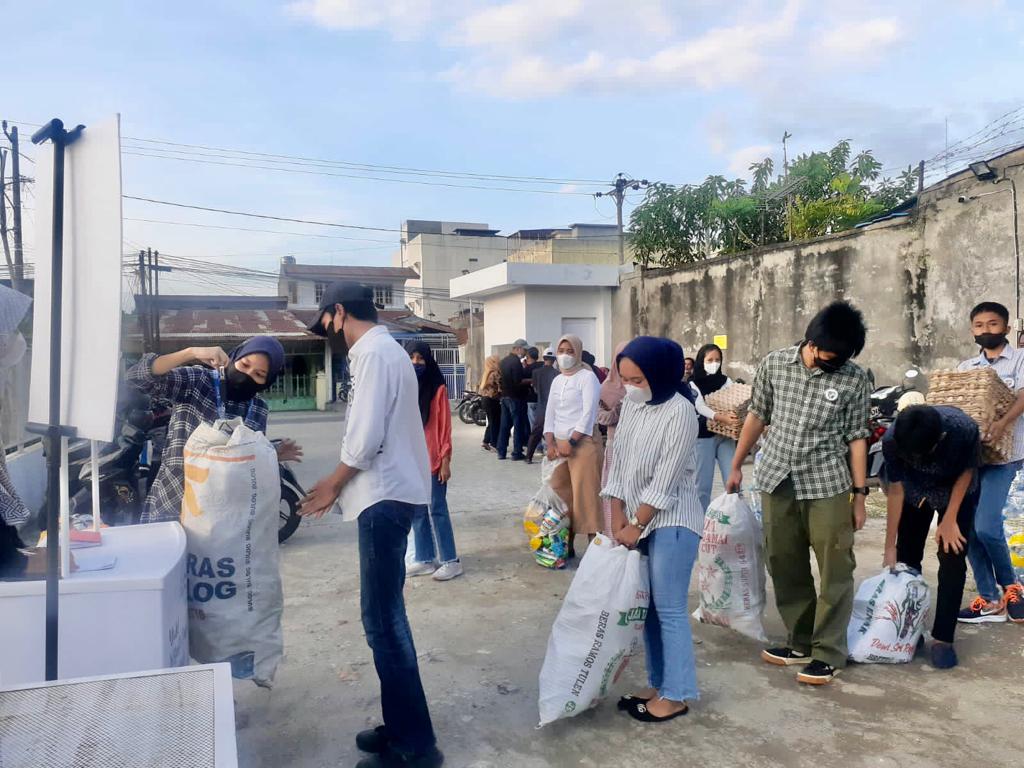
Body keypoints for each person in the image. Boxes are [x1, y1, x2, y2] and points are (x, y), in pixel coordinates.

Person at [300, 282, 442, 768]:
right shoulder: (381, 352)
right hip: (386, 496)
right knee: (383, 619)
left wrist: (333, 483)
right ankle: (401, 725)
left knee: (383, 622)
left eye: (325, 323)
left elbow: (364, 438)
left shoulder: (376, 354)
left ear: (339, 313)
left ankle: (416, 746)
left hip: (384, 497)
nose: (327, 333)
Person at [726, 301, 871, 686]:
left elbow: (858, 438)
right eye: (828, 355)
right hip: (776, 478)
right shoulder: (775, 364)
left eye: (841, 358)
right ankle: (801, 639)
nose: (833, 362)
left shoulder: (855, 379)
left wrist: (859, 495)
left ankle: (828, 652)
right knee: (783, 561)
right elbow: (757, 414)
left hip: (827, 483)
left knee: (835, 568)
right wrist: (737, 464)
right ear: (811, 340)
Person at [603, 336, 702, 723]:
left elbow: (666, 479)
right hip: (636, 521)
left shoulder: (681, 412)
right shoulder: (631, 405)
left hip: (673, 522)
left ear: (660, 375)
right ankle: (660, 682)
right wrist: (616, 518)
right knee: (651, 612)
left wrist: (637, 523)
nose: (630, 386)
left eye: (637, 378)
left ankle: (676, 695)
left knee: (671, 608)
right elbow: (619, 460)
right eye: (625, 378)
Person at [127, 335, 301, 524]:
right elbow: (137, 377)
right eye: (245, 365)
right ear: (234, 358)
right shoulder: (199, 381)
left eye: (259, 374)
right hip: (172, 505)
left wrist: (271, 454)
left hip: (218, 519)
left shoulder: (258, 408)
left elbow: (245, 457)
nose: (248, 375)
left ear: (267, 382)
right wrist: (191, 352)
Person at [881, 405, 981, 668]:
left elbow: (967, 471)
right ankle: (909, 630)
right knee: (906, 556)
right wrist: (888, 545)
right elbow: (896, 490)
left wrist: (949, 519)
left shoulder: (963, 429)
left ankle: (943, 639)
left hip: (956, 489)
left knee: (952, 556)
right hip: (915, 491)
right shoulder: (892, 439)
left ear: (939, 440)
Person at [956, 301, 1024, 624]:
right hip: (971, 460)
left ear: (1006, 328)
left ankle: (1012, 588)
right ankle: (989, 597)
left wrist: (1003, 423)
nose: (986, 330)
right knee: (967, 529)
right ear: (972, 330)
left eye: (993, 324)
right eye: (979, 325)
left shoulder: (1021, 359)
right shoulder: (965, 368)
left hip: (1006, 457)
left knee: (987, 526)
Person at [405, 342, 462, 582]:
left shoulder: (437, 388)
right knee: (417, 511)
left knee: (437, 509)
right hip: (410, 460)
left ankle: (451, 560)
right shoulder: (405, 387)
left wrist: (445, 459)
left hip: (434, 458)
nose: (416, 363)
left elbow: (444, 427)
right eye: (412, 358)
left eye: (421, 358)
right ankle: (425, 558)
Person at [545, 335, 603, 551]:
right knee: (561, 496)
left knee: (587, 496)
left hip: (583, 443)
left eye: (570, 351)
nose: (565, 355)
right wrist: (550, 443)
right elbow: (549, 413)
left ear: (578, 353)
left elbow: (589, 414)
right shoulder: (557, 380)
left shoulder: (587, 378)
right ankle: (564, 545)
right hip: (559, 446)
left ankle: (594, 548)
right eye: (561, 350)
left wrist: (572, 440)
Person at [689, 343, 741, 511]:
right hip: (703, 438)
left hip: (724, 436)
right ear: (701, 361)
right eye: (710, 360)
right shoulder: (693, 384)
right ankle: (700, 523)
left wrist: (731, 418)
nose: (714, 363)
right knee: (702, 485)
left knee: (732, 480)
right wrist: (720, 417)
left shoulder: (726, 381)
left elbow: (735, 400)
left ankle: (735, 517)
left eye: (717, 360)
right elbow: (700, 407)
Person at [597, 341, 629, 535]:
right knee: (613, 496)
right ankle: (613, 537)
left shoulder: (646, 385)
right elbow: (603, 418)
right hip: (615, 447)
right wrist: (620, 407)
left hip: (641, 449)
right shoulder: (606, 387)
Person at [497, 339, 531, 461]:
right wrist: (530, 380)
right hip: (515, 398)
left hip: (505, 397)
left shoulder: (503, 361)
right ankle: (517, 452)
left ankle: (501, 451)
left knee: (504, 425)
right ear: (518, 348)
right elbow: (518, 381)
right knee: (518, 425)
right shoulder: (516, 362)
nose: (525, 352)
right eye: (524, 349)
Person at [525, 348, 558, 464]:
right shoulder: (558, 374)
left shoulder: (536, 373)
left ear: (543, 358)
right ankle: (555, 455)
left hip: (541, 406)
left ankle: (529, 457)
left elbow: (535, 389)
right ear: (554, 360)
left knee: (535, 432)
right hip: (555, 408)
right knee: (555, 433)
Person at [478, 354, 502, 452]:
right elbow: (500, 387)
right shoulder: (495, 373)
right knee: (496, 422)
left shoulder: (486, 373)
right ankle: (494, 444)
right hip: (493, 400)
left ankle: (486, 441)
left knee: (492, 421)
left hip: (485, 400)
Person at [524, 346, 543, 430]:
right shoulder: (542, 366)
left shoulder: (527, 369)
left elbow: (521, 381)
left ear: (528, 357)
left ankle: (535, 441)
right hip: (542, 399)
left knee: (533, 424)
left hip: (531, 399)